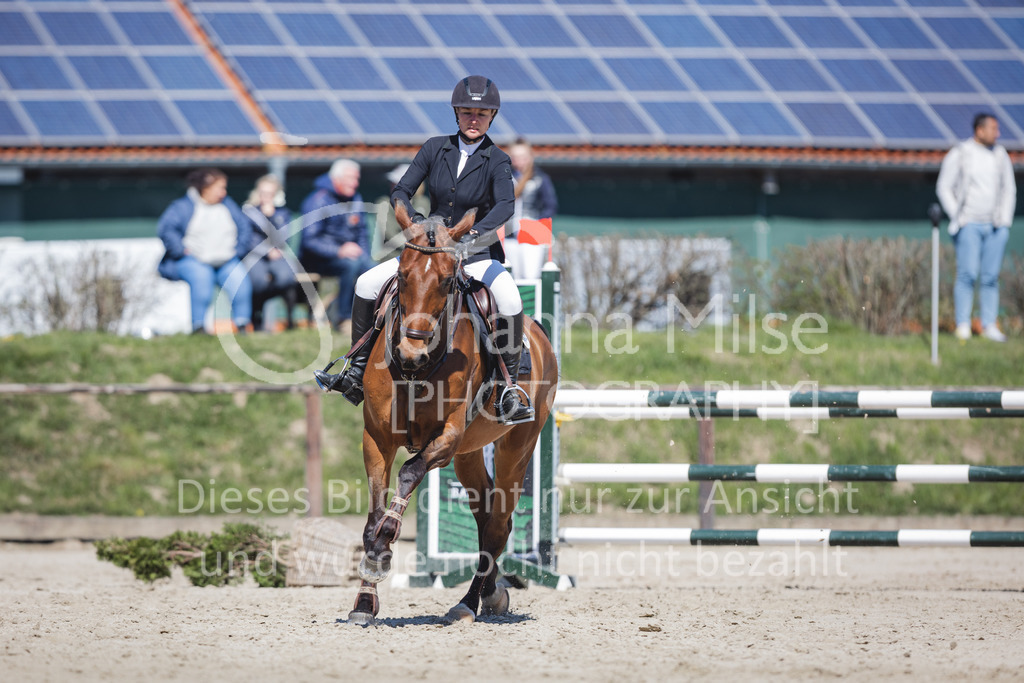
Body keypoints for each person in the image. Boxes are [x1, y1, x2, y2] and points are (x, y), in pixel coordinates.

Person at [314, 75, 534, 425]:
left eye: (480, 113)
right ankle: (355, 370)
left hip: (474, 251)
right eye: (466, 112)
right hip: (427, 251)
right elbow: (401, 191)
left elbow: (505, 207)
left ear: (492, 116)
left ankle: (508, 388)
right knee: (366, 284)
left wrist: (471, 234)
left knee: (508, 299)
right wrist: (417, 223)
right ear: (456, 114)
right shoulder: (434, 148)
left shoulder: (498, 160)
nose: (473, 119)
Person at [937, 113, 1017, 343]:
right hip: (968, 225)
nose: (998, 133)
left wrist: (1004, 222)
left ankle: (989, 325)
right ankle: (963, 325)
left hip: (995, 227)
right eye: (994, 128)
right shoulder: (961, 154)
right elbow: (944, 186)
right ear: (980, 130)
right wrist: (958, 216)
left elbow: (1008, 189)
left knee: (990, 277)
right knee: (967, 274)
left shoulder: (1000, 155)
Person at [157, 168, 253, 334]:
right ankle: (199, 327)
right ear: (205, 188)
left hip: (227, 260)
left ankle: (243, 324)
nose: (223, 192)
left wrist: (238, 251)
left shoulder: (228, 205)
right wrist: (180, 250)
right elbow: (167, 230)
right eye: (220, 187)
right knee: (202, 280)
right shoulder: (183, 207)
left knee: (241, 283)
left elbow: (245, 229)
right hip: (194, 260)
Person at [299, 159, 374, 332]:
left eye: (357, 179)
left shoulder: (355, 198)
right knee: (351, 266)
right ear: (336, 178)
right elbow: (310, 240)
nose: (355, 183)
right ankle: (344, 318)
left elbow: (362, 233)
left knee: (372, 269)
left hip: (350, 256)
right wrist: (338, 250)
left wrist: (364, 255)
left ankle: (372, 318)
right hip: (318, 259)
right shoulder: (318, 200)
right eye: (350, 178)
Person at [242, 174, 298, 331]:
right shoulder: (249, 212)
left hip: (278, 254)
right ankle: (256, 318)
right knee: (259, 281)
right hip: (255, 256)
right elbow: (248, 239)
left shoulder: (283, 213)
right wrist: (267, 251)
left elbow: (283, 238)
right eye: (262, 193)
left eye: (270, 193)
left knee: (286, 279)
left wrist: (272, 217)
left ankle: (289, 322)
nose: (265, 197)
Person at [506, 138, 558, 280]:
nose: (519, 161)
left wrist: (535, 225)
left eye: (522, 157)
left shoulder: (540, 178)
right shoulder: (504, 177)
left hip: (533, 236)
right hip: (509, 235)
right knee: (512, 277)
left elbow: (550, 205)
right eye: (515, 157)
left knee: (530, 276)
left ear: (530, 157)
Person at [371, 164, 429, 262]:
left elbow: (427, 230)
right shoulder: (384, 203)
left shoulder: (423, 202)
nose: (393, 186)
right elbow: (391, 235)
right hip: (392, 258)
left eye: (397, 183)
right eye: (393, 183)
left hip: (420, 256)